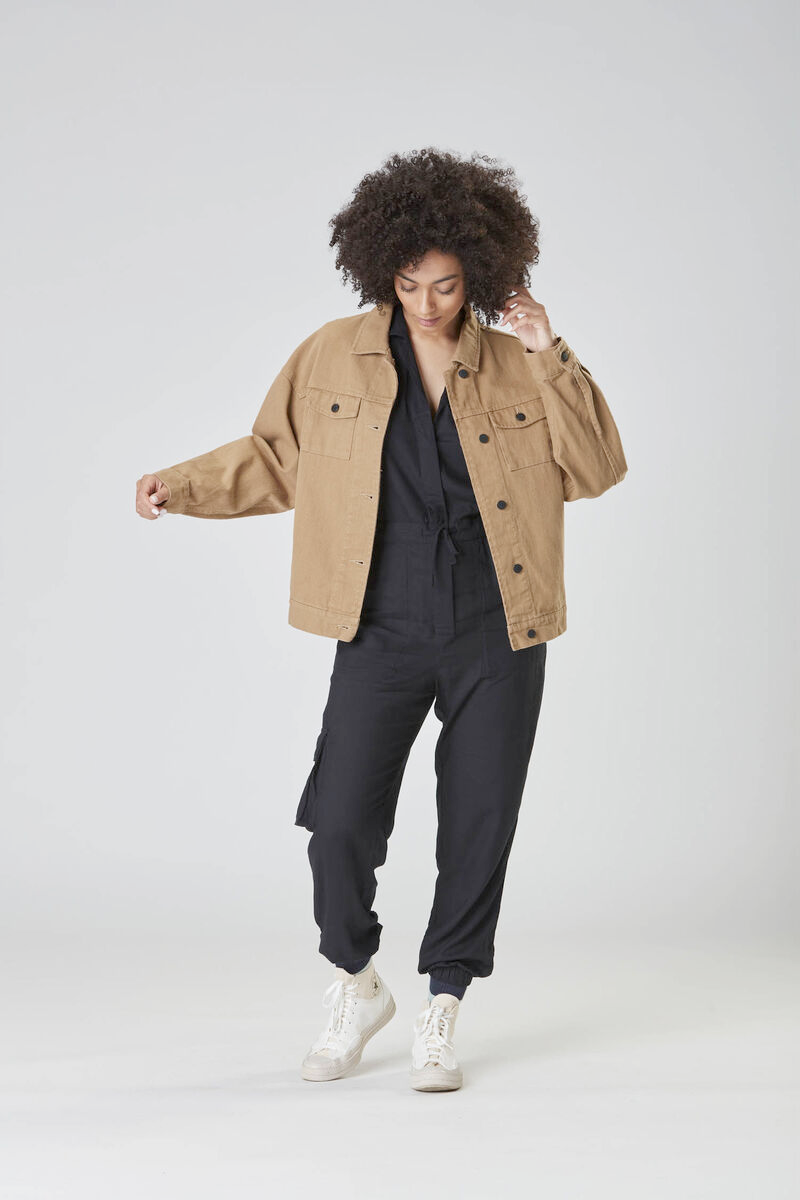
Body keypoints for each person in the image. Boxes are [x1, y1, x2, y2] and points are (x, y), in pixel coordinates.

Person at [135, 147, 628, 1093]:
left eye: (447, 285)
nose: (428, 304)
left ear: (480, 275)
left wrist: (548, 350)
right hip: (379, 616)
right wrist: (181, 485)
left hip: (497, 619)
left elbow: (598, 468)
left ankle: (444, 1001)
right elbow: (275, 457)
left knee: (478, 819)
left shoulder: (520, 364)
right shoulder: (333, 354)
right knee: (339, 821)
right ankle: (358, 983)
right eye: (409, 284)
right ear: (381, 271)